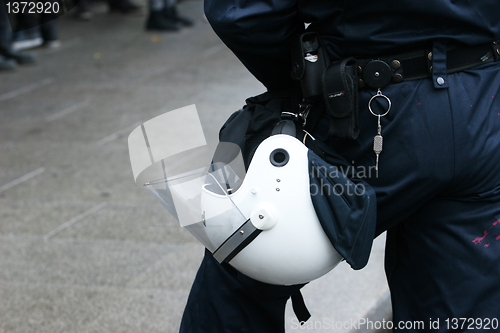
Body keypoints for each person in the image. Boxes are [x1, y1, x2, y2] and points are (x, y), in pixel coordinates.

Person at [179, 1, 500, 332]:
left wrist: (300, 77)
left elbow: (241, 12)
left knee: (242, 262)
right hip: (482, 104)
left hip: (366, 108)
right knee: (461, 303)